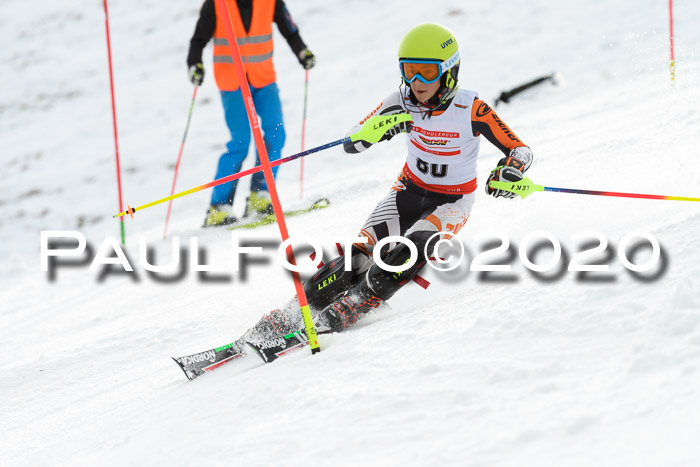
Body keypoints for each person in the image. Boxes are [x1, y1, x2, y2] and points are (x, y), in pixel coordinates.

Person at [304, 22, 534, 332]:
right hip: (407, 192)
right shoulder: (399, 100)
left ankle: (363, 301)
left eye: (426, 72)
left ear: (449, 71)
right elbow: (350, 143)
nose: (416, 81)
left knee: (413, 246)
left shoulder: (471, 108)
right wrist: (372, 132)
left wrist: (510, 171)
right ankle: (298, 309)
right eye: (409, 70)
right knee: (355, 262)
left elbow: (519, 149)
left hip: (451, 202)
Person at [187, 0, 316, 227]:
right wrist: (194, 64)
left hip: (263, 79)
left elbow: (290, 30)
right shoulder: (216, 5)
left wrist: (302, 52)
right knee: (241, 140)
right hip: (232, 82)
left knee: (276, 133)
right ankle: (218, 207)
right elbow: (198, 39)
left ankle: (260, 195)